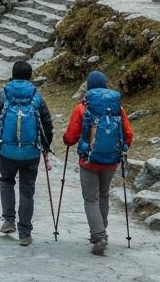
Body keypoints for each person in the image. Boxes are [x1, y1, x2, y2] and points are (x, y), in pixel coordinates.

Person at [63, 70, 134, 256]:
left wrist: (67, 141)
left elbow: (71, 136)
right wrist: (122, 149)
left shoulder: (82, 108)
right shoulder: (117, 108)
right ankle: (102, 230)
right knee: (103, 195)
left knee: (91, 198)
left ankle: (99, 235)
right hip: (111, 160)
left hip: (89, 160)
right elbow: (128, 133)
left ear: (88, 87)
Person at [0, 61, 54, 247]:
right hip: (31, 152)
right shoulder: (36, 97)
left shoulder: (3, 95)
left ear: (12, 75)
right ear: (30, 76)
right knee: (27, 190)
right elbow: (47, 124)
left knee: (6, 182)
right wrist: (45, 147)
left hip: (7, 151)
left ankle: (8, 220)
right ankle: (25, 233)